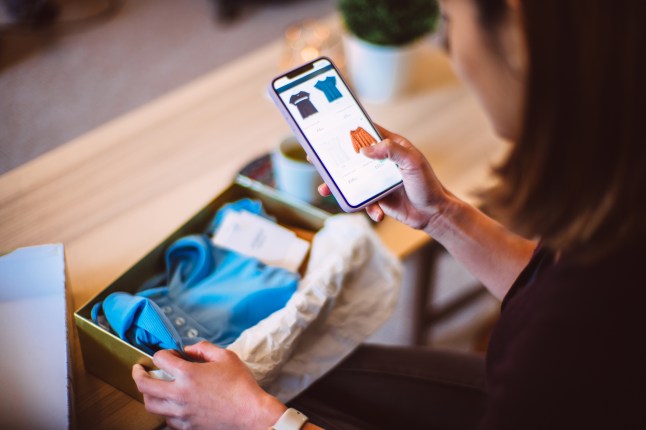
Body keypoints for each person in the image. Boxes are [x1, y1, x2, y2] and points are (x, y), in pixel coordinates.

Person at [132, 0, 646, 428]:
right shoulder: (617, 205)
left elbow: (564, 317)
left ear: (516, 39)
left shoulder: (568, 338)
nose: (452, 51)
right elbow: (550, 280)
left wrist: (254, 418)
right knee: (309, 374)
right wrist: (442, 215)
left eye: (449, 24)